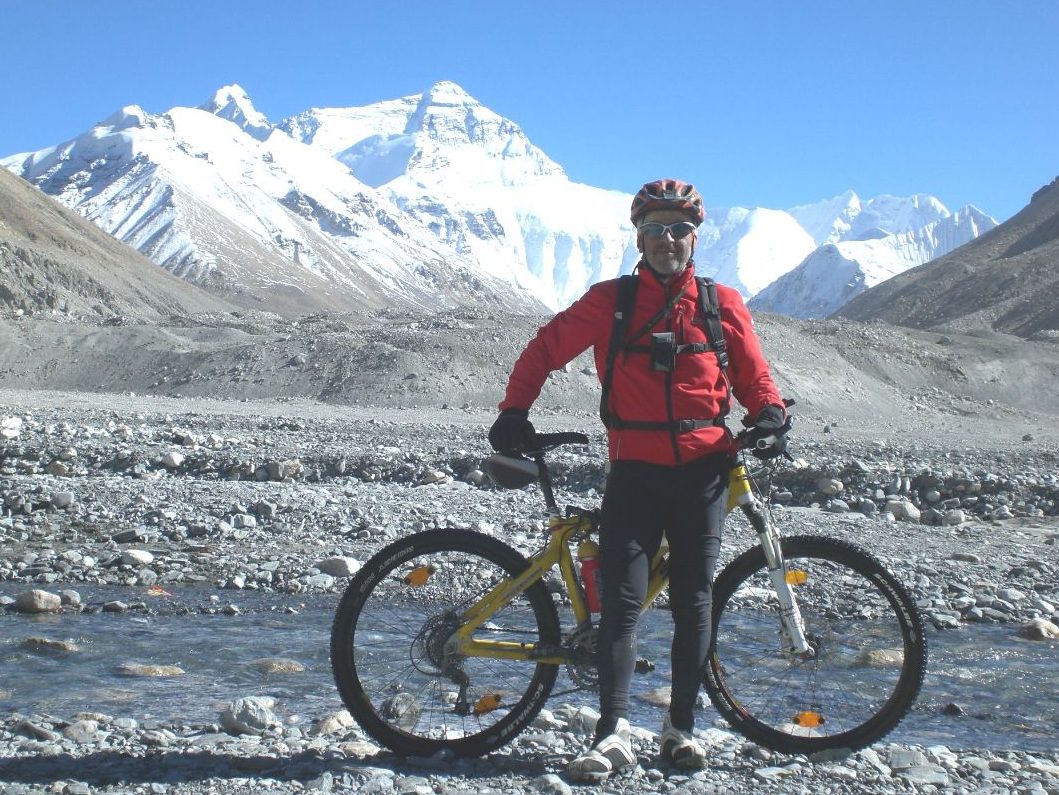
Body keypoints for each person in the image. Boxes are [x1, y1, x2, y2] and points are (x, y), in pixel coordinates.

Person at [488, 178, 788, 782]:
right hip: (634, 473)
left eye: (678, 229)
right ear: (639, 236)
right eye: (654, 229)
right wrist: (514, 408)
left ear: (694, 237)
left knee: (693, 602)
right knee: (623, 605)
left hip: (704, 473)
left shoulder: (719, 302)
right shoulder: (611, 301)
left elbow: (754, 374)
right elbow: (545, 348)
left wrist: (771, 414)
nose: (667, 240)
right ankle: (612, 733)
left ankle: (680, 730)